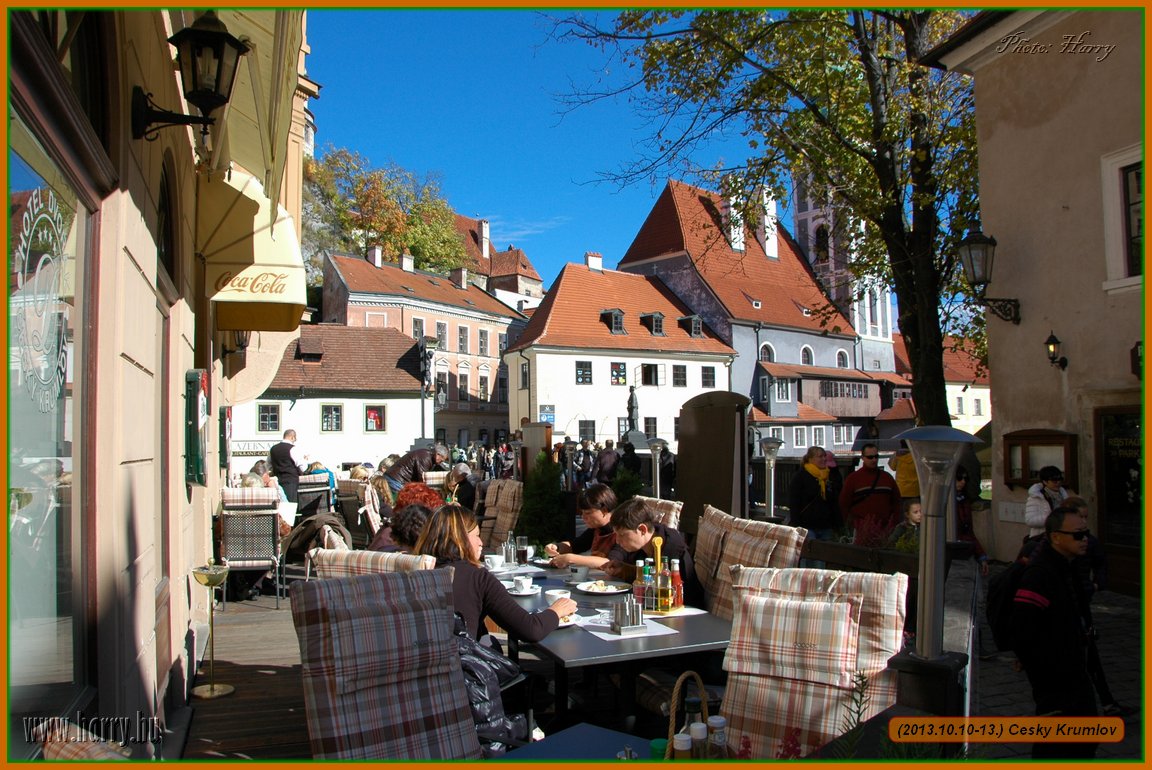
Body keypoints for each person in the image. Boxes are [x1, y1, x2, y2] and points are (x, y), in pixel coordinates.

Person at [414, 504, 577, 642]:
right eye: (477, 536)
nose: (481, 542)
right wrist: (556, 611)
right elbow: (531, 630)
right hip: (463, 671)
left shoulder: (415, 569)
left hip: (415, 670)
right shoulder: (476, 577)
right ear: (460, 538)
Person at [1011, 507, 1098, 759]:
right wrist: (1044, 672)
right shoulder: (1040, 574)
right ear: (1056, 537)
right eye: (1078, 535)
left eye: (1086, 534)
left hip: (1073, 668)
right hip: (1056, 678)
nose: (1085, 540)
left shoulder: (1067, 566)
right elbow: (1022, 627)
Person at [602, 498, 706, 608]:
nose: (617, 541)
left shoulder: (671, 547)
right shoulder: (640, 543)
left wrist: (628, 571)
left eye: (622, 535)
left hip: (680, 608)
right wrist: (624, 569)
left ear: (642, 529)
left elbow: (663, 583)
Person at [838, 442, 901, 548]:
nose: (874, 460)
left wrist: (894, 523)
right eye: (870, 457)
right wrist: (845, 527)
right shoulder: (853, 479)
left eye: (876, 456)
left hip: (885, 528)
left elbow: (896, 502)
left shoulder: (887, 478)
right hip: (861, 528)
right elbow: (844, 503)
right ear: (863, 457)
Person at [544, 484, 617, 569]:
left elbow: (610, 562)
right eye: (582, 513)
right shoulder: (596, 529)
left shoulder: (620, 531)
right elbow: (576, 545)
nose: (583, 517)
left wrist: (570, 559)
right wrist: (556, 547)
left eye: (588, 513)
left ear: (604, 510)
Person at [787, 446, 842, 546]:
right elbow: (794, 502)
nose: (824, 459)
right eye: (820, 456)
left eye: (824, 456)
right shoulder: (800, 476)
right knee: (810, 558)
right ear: (811, 459)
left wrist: (838, 524)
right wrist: (796, 524)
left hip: (826, 525)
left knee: (824, 557)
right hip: (807, 525)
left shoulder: (828, 476)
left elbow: (834, 501)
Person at [954, 468, 990, 576]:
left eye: (966, 479)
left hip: (964, 549)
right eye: (959, 478)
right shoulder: (947, 502)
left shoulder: (964, 501)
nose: (963, 482)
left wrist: (982, 556)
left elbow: (969, 532)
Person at [383, 443, 449, 494]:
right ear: (438, 455)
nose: (441, 462)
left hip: (396, 479)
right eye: (442, 459)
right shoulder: (425, 458)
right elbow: (421, 478)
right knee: (406, 502)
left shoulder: (426, 456)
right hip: (396, 480)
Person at [1024, 465, 1070, 537]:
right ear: (1045, 482)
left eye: (1060, 479)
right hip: (1042, 537)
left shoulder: (1063, 495)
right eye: (1054, 480)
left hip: (1060, 536)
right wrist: (1052, 518)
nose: (1058, 483)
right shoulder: (1036, 497)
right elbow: (1030, 520)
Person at [268, 429, 308, 503]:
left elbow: (268, 465)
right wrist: (305, 460)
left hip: (277, 480)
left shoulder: (273, 449)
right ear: (292, 437)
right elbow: (303, 468)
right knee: (290, 505)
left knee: (279, 504)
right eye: (295, 438)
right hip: (290, 480)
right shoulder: (293, 448)